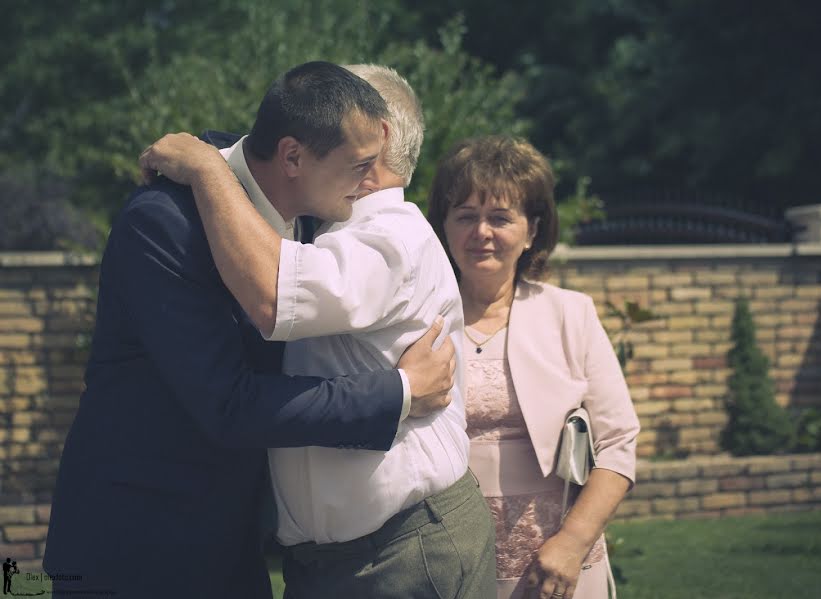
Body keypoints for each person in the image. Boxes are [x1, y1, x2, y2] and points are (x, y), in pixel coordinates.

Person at [43, 62, 456, 599]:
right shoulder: (164, 224)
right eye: (359, 166)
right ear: (292, 157)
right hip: (138, 547)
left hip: (233, 547)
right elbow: (228, 404)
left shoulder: (311, 208)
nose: (370, 181)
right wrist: (398, 392)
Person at [139, 64, 495, 599]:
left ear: (377, 139)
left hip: (401, 552)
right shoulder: (331, 228)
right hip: (355, 557)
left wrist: (207, 169)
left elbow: (275, 296)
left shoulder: (389, 236)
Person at [426, 136, 640, 599]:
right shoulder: (418, 320)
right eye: (465, 215)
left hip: (557, 566)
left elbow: (618, 442)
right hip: (446, 560)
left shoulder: (570, 314)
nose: (481, 232)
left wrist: (572, 542)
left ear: (533, 230)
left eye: (500, 217)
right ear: (444, 226)